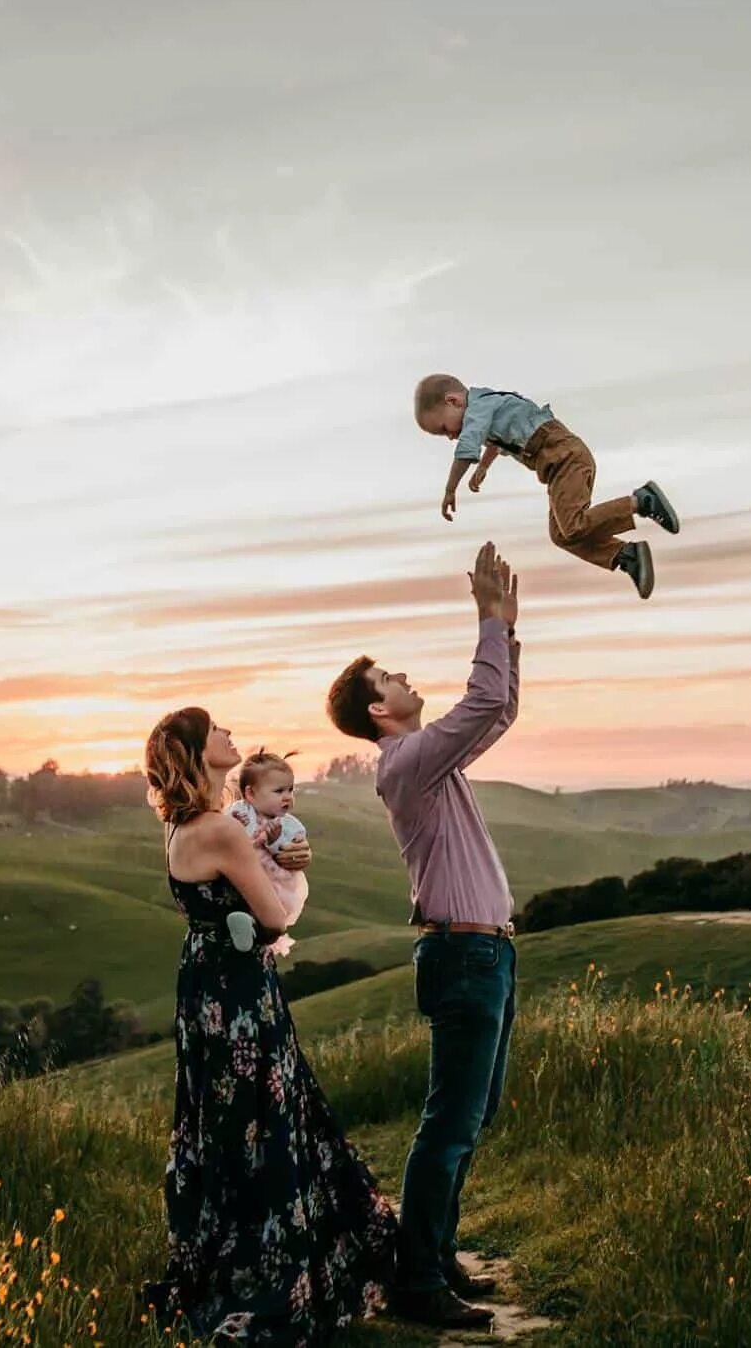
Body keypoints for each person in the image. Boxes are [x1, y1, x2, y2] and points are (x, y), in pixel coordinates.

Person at [139, 708, 397, 1345]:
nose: (230, 733)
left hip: (203, 985)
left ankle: (226, 1255)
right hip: (239, 990)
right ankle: (272, 1269)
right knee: (265, 1113)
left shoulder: (183, 826)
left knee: (224, 1119)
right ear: (199, 752)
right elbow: (276, 918)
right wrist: (294, 868)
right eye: (217, 730)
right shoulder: (219, 829)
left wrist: (281, 847)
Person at [323, 541, 522, 1330]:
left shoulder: (429, 761)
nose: (407, 680)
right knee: (449, 1120)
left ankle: (434, 1257)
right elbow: (479, 706)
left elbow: (498, 709)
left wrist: (507, 627)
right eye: (391, 679)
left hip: (486, 951)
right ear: (380, 711)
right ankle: (417, 1282)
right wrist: (485, 620)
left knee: (473, 1112)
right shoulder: (405, 762)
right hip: (463, 955)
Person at [413, 373, 680, 599]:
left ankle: (641, 501)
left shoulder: (477, 408)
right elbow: (493, 441)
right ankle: (626, 555)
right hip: (556, 465)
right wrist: (484, 467)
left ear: (453, 401)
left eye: (444, 428)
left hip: (563, 455)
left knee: (573, 524)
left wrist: (450, 489)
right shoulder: (487, 405)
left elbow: (467, 447)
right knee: (561, 534)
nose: (450, 436)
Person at [226, 746, 311, 958]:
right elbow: (227, 835)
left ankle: (254, 931)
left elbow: (290, 854)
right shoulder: (239, 811)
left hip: (277, 880)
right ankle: (245, 924)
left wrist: (274, 842)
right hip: (245, 872)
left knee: (272, 909)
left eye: (290, 790)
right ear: (250, 794)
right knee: (244, 897)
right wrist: (236, 824)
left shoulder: (291, 825)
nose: (287, 797)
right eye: (279, 791)